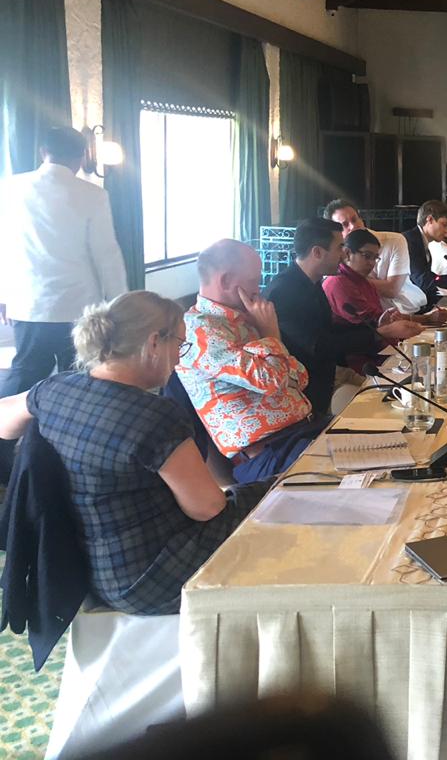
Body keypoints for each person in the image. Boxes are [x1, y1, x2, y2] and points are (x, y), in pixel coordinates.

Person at [0, 291, 265, 615]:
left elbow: (4, 423)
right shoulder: (155, 416)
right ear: (154, 342)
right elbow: (207, 508)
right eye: (180, 345)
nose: (179, 359)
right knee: (273, 494)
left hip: (86, 570)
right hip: (153, 578)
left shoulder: (53, 389)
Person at [177, 240, 326, 483]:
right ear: (226, 281)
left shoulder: (246, 318)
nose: (259, 289)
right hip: (270, 454)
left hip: (303, 431)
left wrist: (269, 340)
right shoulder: (199, 330)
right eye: (254, 281)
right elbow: (273, 381)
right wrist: (271, 334)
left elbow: (300, 378)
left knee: (382, 447)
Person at [0, 125, 127, 398]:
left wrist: (4, 296)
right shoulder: (93, 195)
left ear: (42, 152)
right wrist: (120, 302)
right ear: (82, 156)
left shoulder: (10, 187)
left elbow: (4, 244)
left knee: (25, 374)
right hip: (78, 305)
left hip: (29, 303)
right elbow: (106, 253)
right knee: (78, 377)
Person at [267, 218, 422, 417]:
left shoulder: (311, 282)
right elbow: (319, 346)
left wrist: (376, 327)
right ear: (317, 252)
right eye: (340, 247)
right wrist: (380, 332)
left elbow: (331, 329)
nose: (343, 254)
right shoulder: (285, 291)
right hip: (303, 393)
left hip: (326, 377)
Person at [322, 229, 443, 371]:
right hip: (361, 363)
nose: (372, 263)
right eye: (367, 256)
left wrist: (427, 319)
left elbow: (381, 320)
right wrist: (422, 320)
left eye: (375, 258)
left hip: (381, 352)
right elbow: (373, 324)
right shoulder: (338, 283)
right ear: (347, 253)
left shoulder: (364, 281)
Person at [324, 199, 429, 316]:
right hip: (372, 317)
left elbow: (391, 290)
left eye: (354, 219)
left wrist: (350, 278)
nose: (353, 226)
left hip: (408, 310)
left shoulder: (395, 241)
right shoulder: (334, 253)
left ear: (361, 219)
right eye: (344, 225)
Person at [403, 201, 447, 306]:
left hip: (419, 299)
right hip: (406, 305)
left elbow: (430, 276)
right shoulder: (410, 241)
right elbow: (423, 280)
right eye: (445, 224)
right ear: (430, 220)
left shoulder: (421, 240)